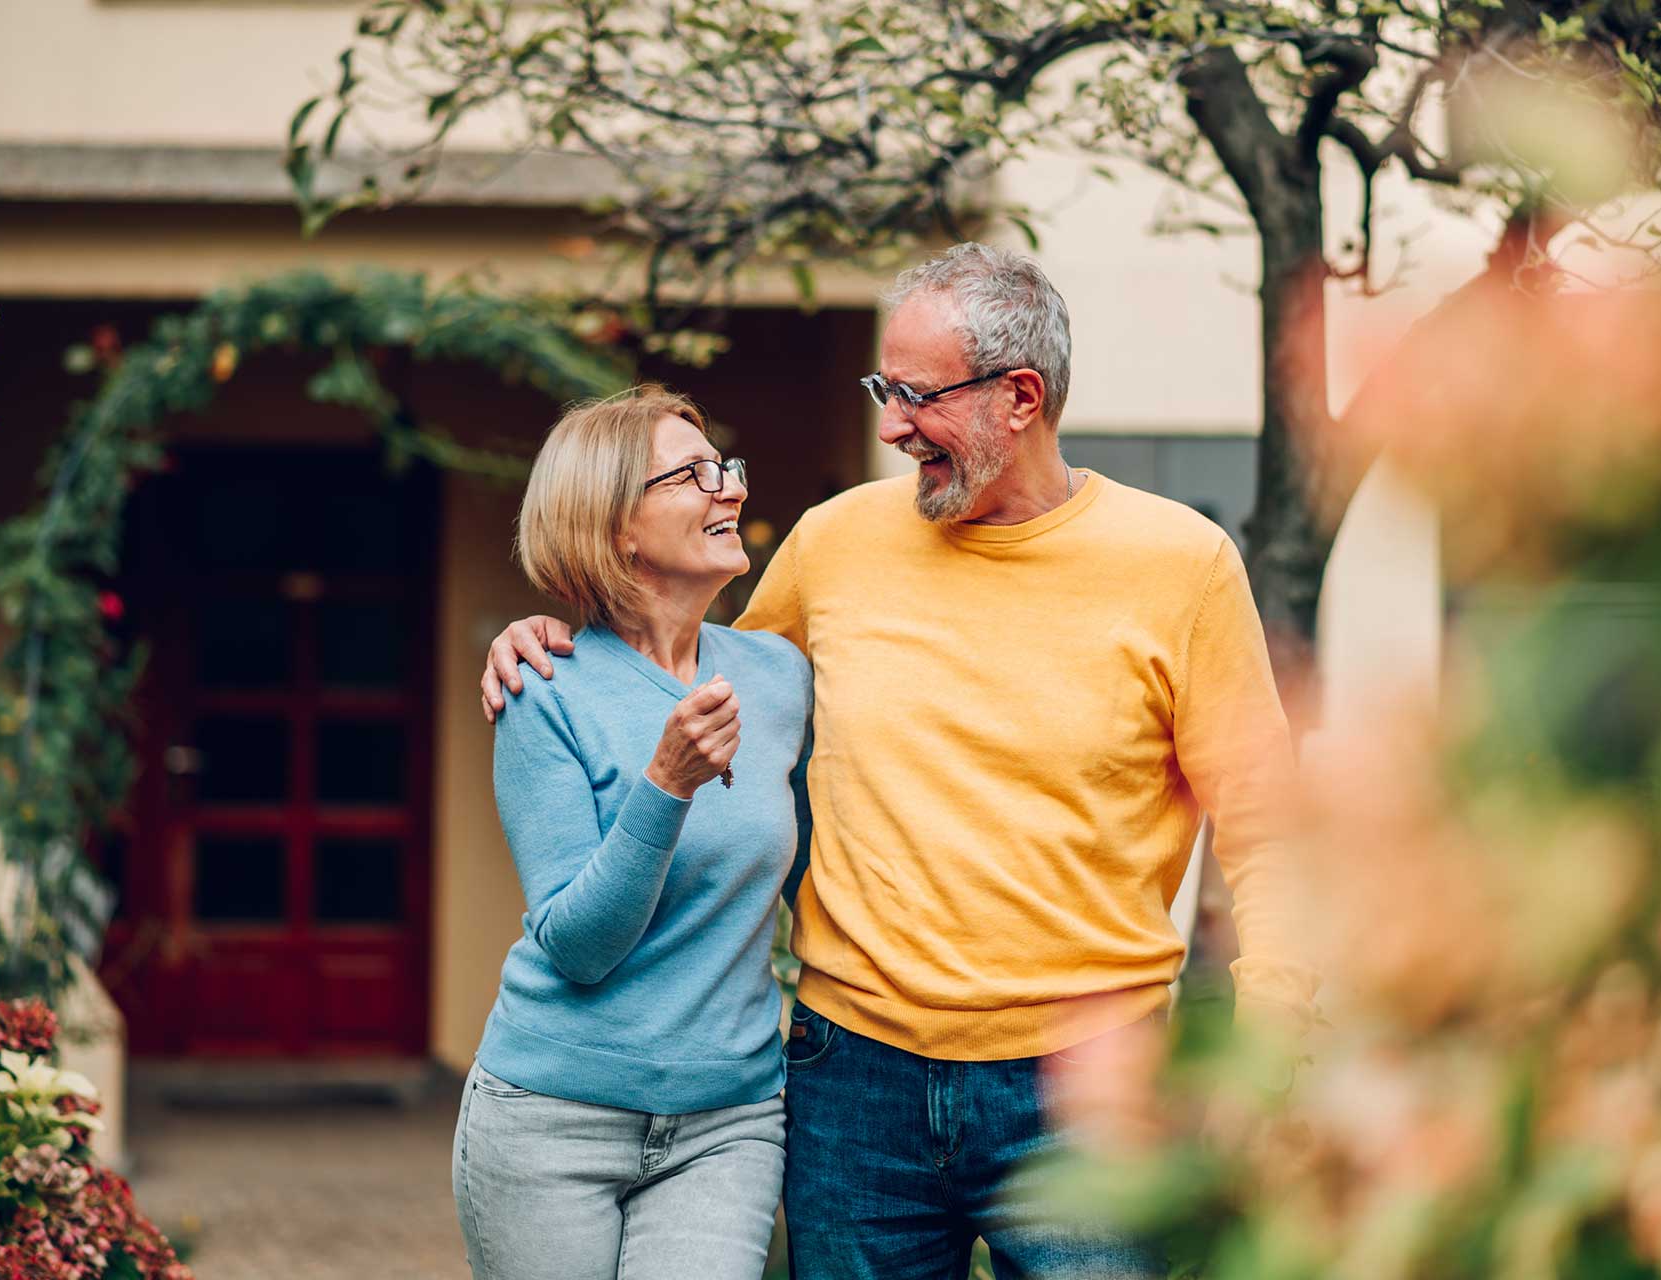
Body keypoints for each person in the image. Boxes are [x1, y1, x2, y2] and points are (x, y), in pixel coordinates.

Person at [479, 245, 1317, 1279]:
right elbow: (683, 671)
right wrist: (545, 636)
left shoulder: (1180, 563)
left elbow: (1269, 825)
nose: (890, 426)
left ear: (1020, 396)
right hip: (852, 1083)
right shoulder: (834, 546)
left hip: (1089, 1090)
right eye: (885, 389)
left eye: (918, 396)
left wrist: (1267, 1051)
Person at [452, 386, 813, 1280]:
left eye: (723, 467)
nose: (728, 489)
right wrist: (666, 785)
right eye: (693, 475)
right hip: (550, 1117)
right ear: (616, 526)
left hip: (728, 1121)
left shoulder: (781, 678)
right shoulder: (544, 692)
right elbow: (577, 947)